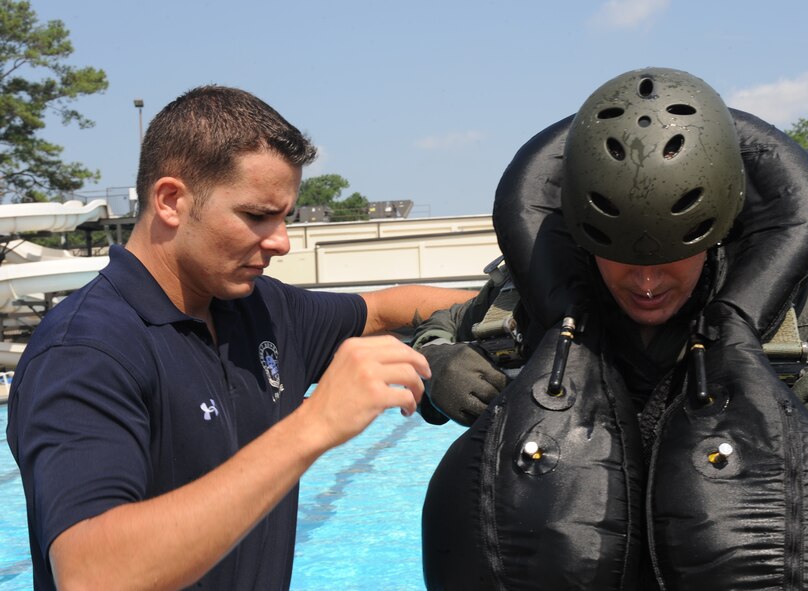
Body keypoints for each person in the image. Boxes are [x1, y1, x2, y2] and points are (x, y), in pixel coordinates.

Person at [418, 67, 808, 590]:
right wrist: (434, 364)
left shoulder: (804, 311)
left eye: (674, 254)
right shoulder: (523, 308)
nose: (645, 281)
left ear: (720, 227)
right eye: (616, 254)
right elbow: (437, 332)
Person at [6, 85, 475, 591]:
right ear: (170, 201)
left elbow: (385, 309)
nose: (282, 242)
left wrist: (518, 310)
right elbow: (91, 573)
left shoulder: (263, 310)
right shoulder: (85, 351)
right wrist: (316, 423)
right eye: (256, 216)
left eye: (284, 217)